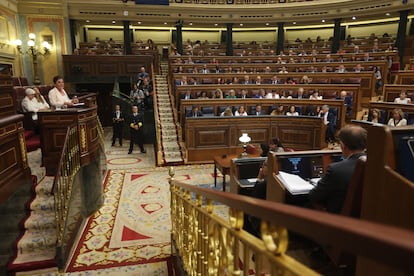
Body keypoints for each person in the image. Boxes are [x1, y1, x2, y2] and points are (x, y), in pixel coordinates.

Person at [309, 125, 367, 213]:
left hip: (337, 221)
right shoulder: (377, 167)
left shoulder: (336, 169)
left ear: (343, 146)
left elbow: (314, 196)